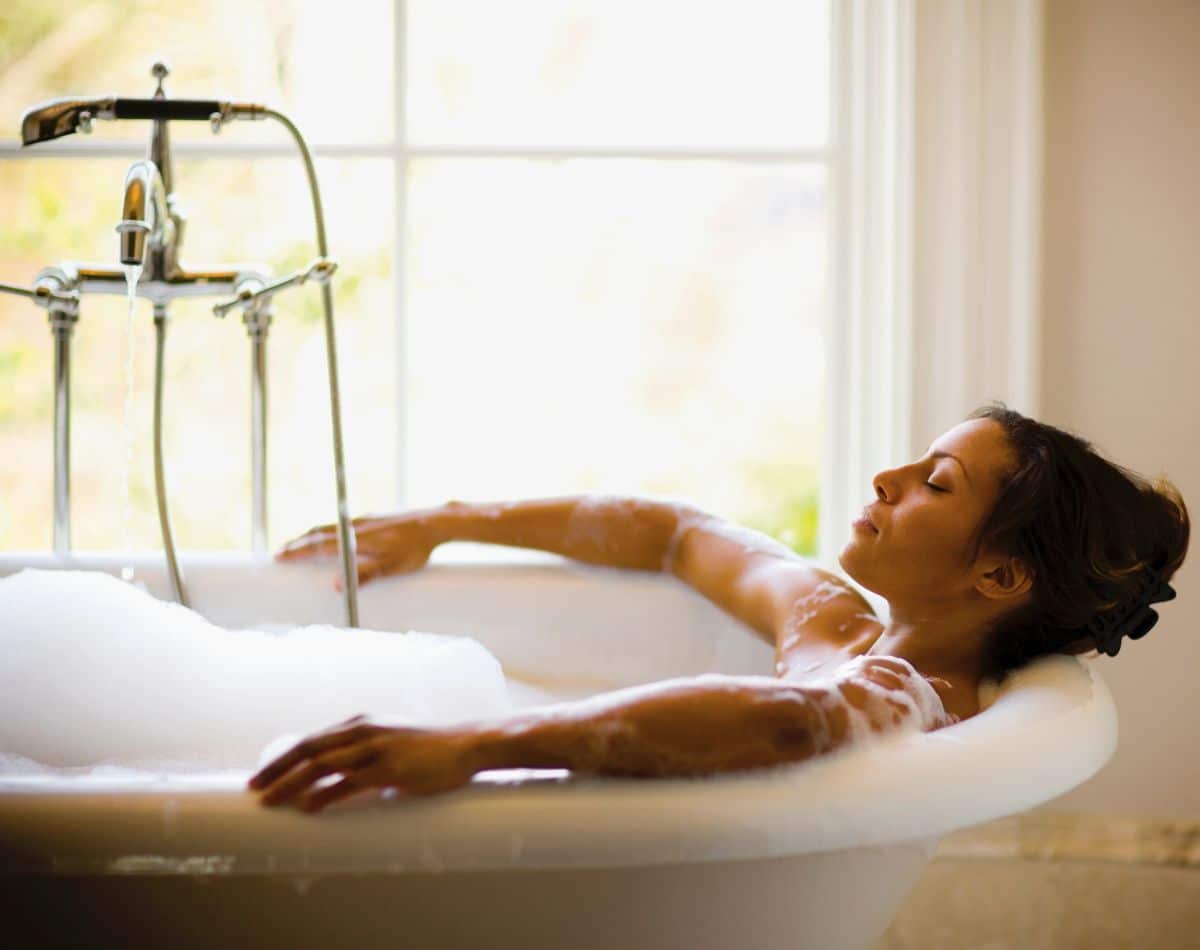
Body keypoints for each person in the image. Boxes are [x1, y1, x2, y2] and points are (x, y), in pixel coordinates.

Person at [248, 402, 1189, 813]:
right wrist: (444, 522)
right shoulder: (842, 629)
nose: (887, 477)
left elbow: (789, 724)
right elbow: (677, 535)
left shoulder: (921, 696)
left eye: (934, 483)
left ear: (1000, 577)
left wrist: (478, 747)